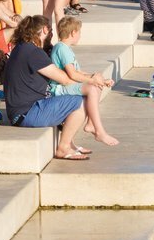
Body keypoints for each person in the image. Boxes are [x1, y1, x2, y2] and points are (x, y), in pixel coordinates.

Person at [3, 16, 89, 160]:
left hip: (20, 112)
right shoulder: (33, 52)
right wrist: (90, 82)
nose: (51, 36)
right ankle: (63, 148)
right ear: (44, 29)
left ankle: (70, 143)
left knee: (67, 96)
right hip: (27, 114)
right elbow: (65, 79)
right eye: (50, 32)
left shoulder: (22, 48)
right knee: (82, 101)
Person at [50, 17, 119, 147]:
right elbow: (72, 74)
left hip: (67, 85)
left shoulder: (65, 48)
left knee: (97, 79)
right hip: (59, 88)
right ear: (73, 33)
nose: (80, 36)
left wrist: (99, 79)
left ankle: (90, 123)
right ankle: (99, 131)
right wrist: (92, 80)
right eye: (79, 32)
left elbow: (79, 72)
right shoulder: (62, 49)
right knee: (93, 86)